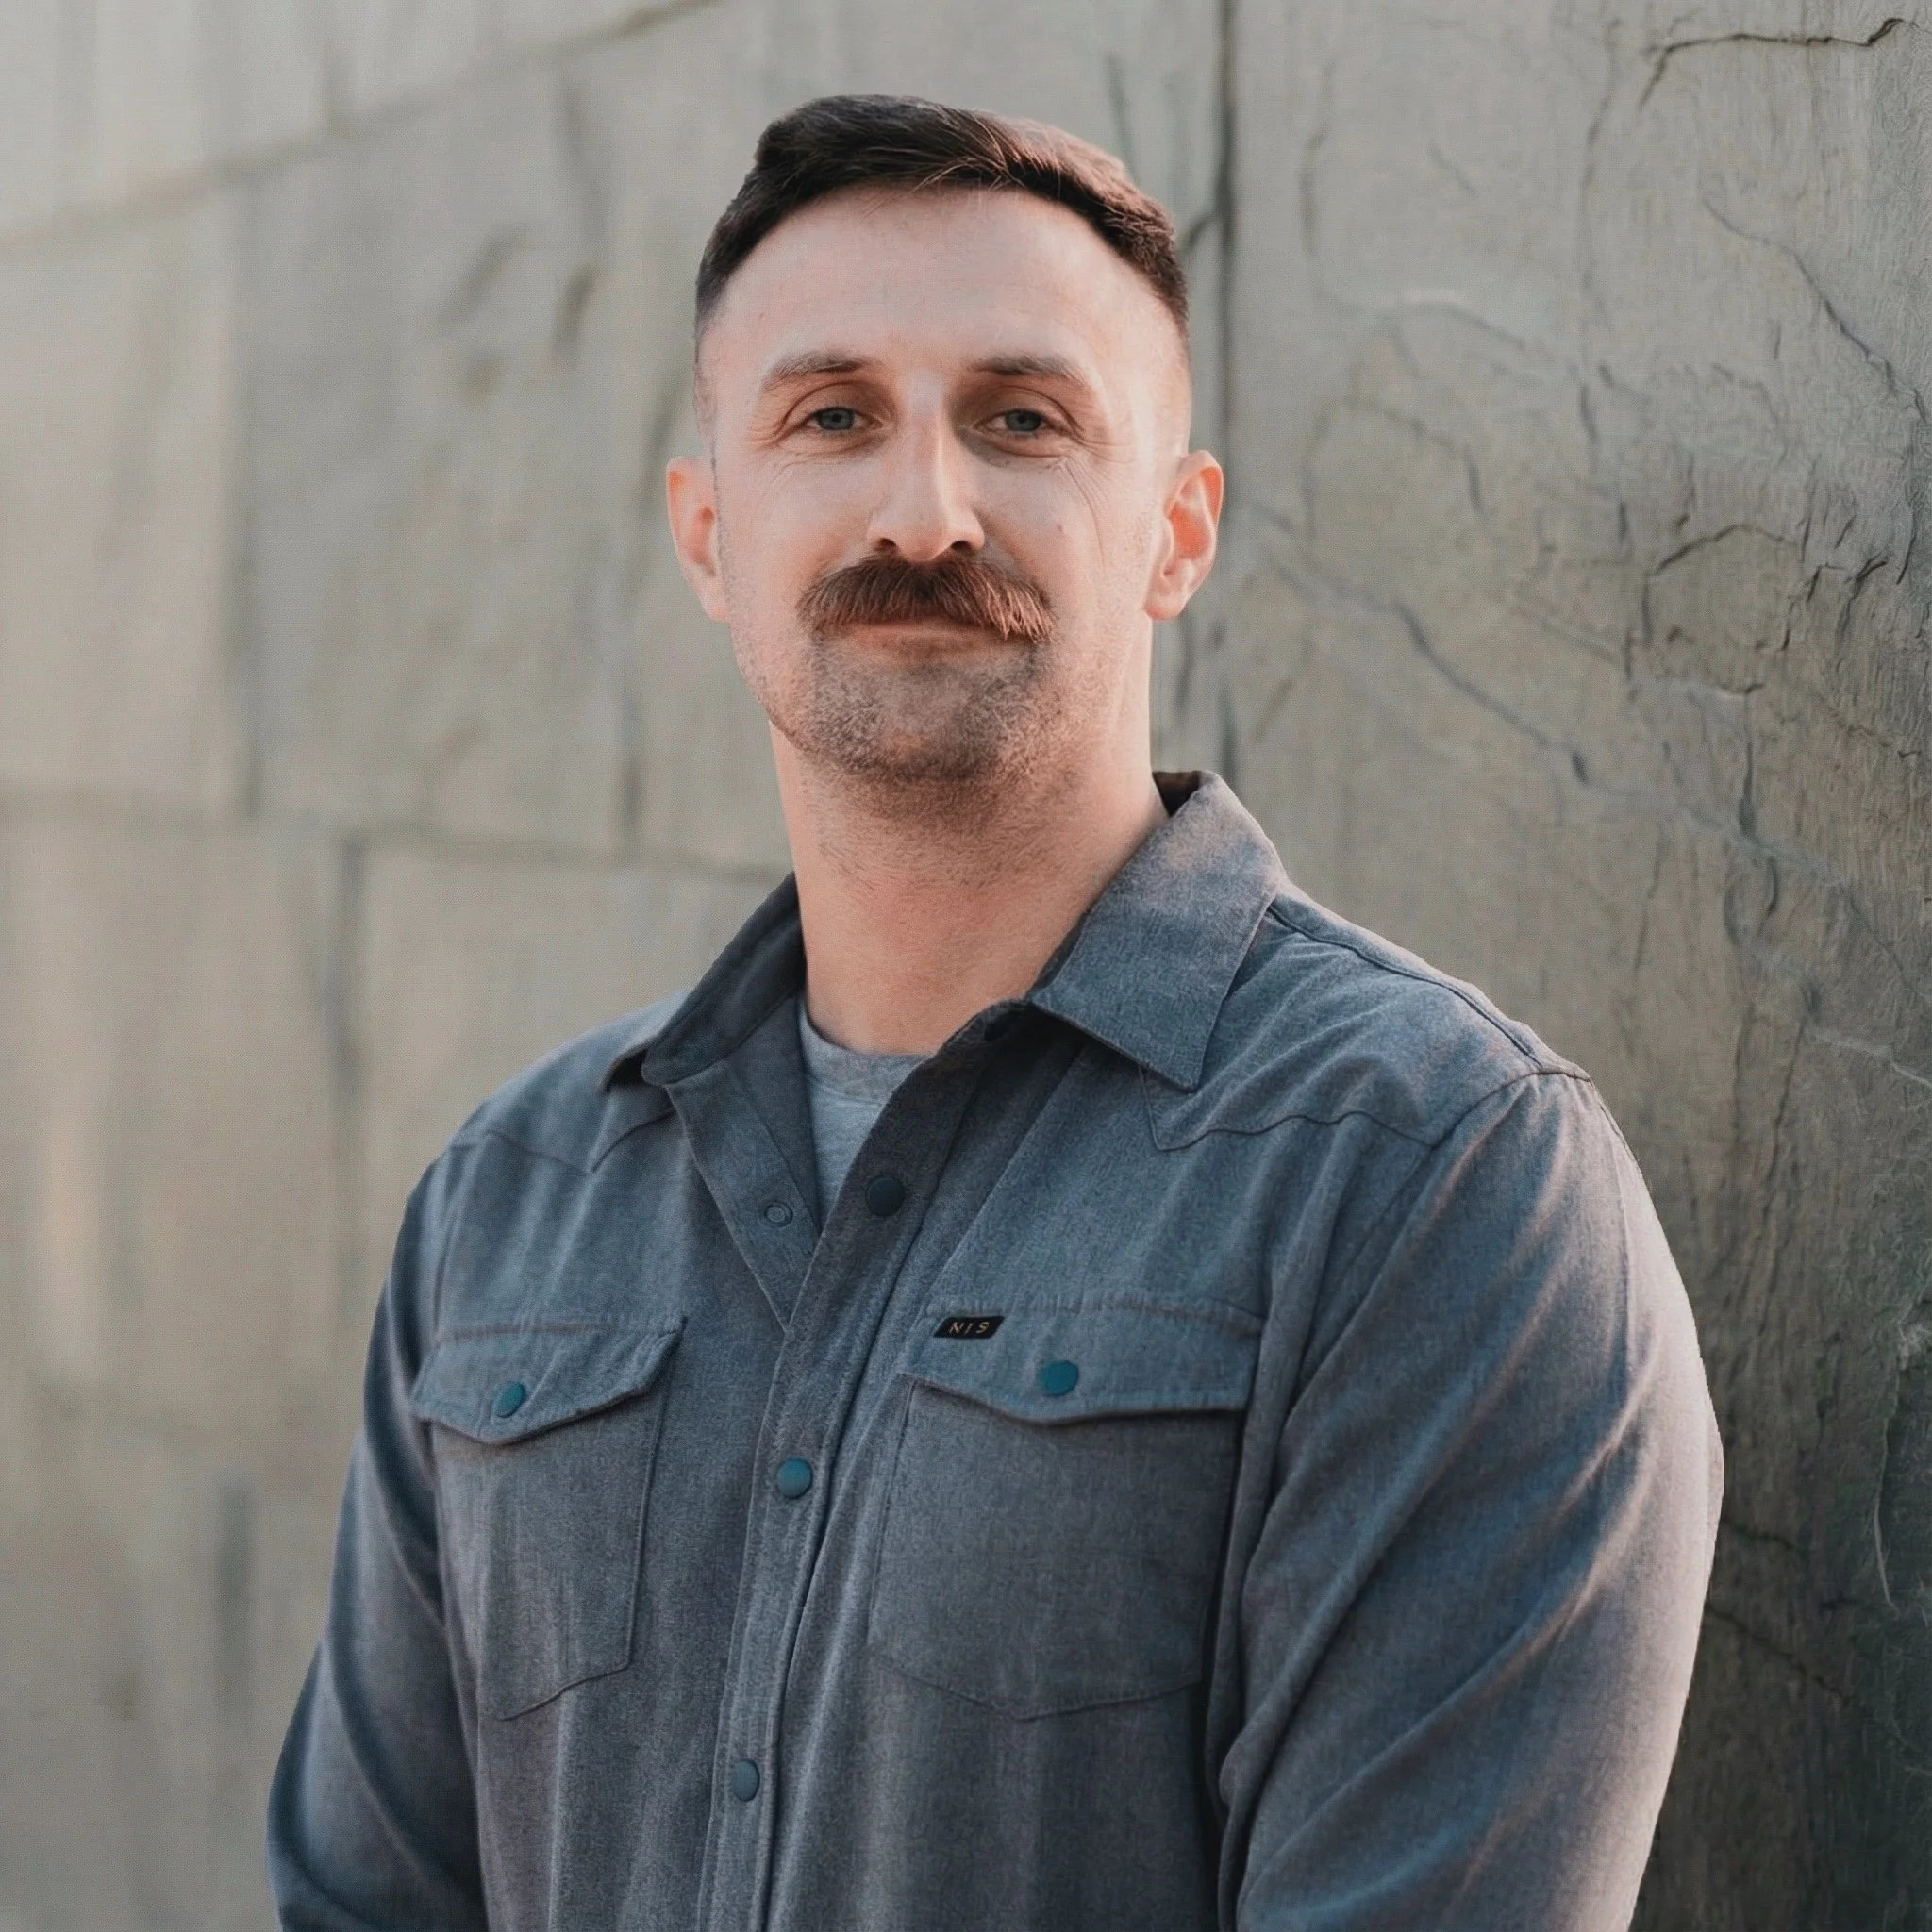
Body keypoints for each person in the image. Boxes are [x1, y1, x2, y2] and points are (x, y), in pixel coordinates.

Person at [268, 94, 1722, 1931]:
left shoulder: (1433, 1181)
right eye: (831, 417)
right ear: (708, 533)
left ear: (1175, 531)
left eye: (1022, 419)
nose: (922, 508)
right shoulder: (515, 1196)